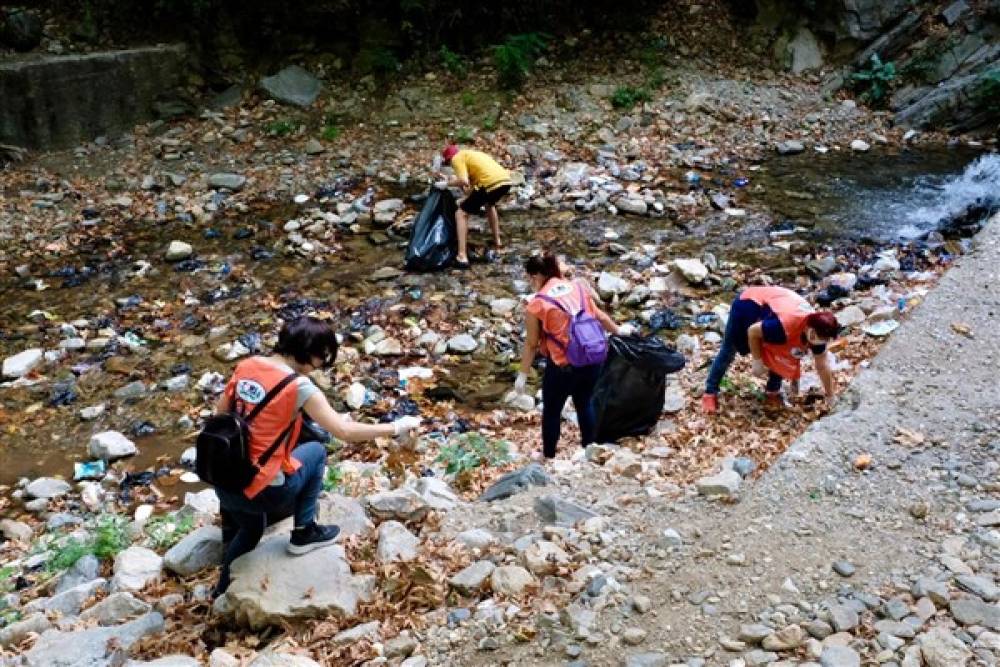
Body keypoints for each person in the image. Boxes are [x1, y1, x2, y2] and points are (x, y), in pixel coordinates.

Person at [211, 316, 420, 596]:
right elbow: (343, 431)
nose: (321, 365)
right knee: (316, 451)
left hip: (225, 483)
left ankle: (221, 590)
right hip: (264, 492)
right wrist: (395, 427)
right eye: (322, 358)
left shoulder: (246, 366)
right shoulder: (299, 387)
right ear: (309, 353)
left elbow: (219, 417)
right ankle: (304, 532)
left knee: (251, 529)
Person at [514, 253, 634, 458]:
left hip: (563, 366)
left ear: (536, 277)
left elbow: (532, 344)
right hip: (592, 358)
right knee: (584, 404)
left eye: (530, 279)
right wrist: (619, 330)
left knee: (552, 411)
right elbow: (601, 316)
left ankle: (549, 456)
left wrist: (523, 375)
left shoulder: (537, 304)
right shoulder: (578, 288)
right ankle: (590, 449)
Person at [701, 285, 840, 414]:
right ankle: (710, 392)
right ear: (808, 326)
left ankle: (772, 391)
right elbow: (753, 331)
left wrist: (830, 395)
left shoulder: (820, 334)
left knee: (782, 351)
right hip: (749, 305)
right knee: (729, 350)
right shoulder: (784, 325)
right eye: (814, 335)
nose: (815, 340)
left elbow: (822, 365)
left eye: (821, 339)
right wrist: (757, 360)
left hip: (775, 308)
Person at [438, 144, 513, 269]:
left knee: (461, 213)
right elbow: (469, 191)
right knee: (489, 204)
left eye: (449, 163)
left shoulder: (457, 158)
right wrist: (452, 181)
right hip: (504, 181)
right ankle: (497, 242)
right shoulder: (472, 156)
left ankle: (462, 256)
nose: (451, 166)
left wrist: (446, 184)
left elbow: (464, 181)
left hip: (489, 183)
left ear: (449, 159)